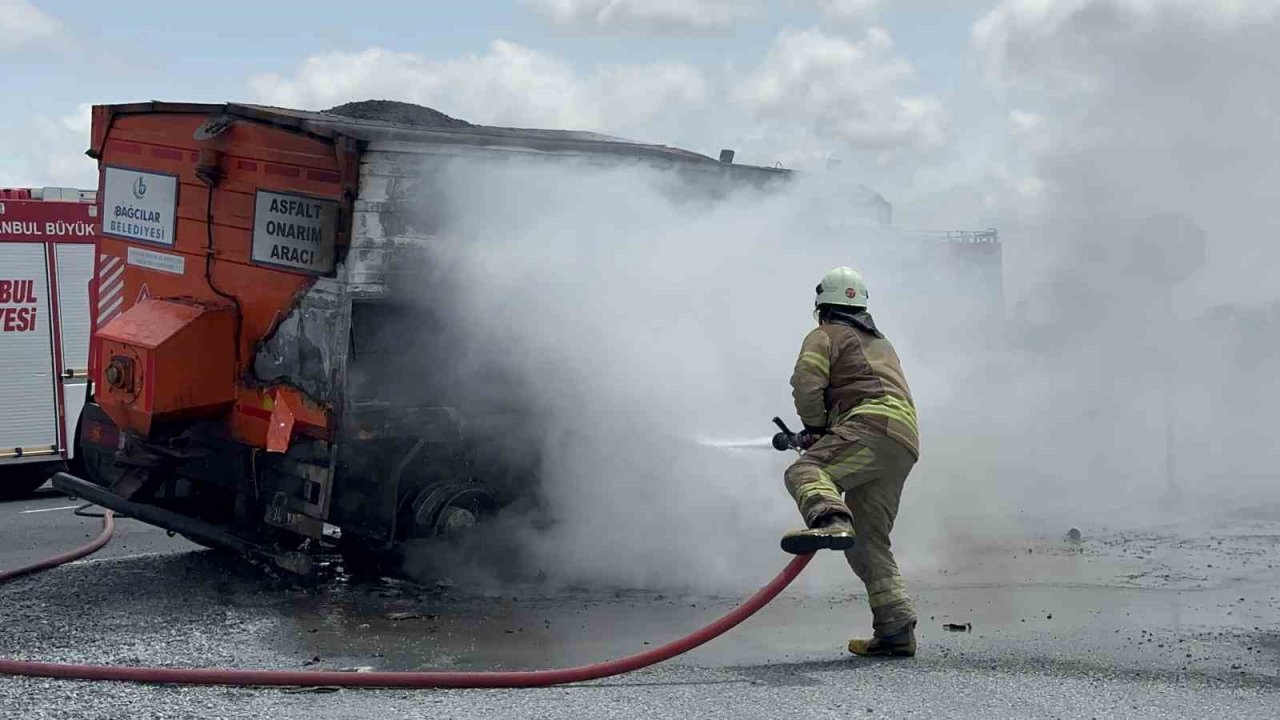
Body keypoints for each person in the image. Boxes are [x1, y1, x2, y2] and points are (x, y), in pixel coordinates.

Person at [780, 266, 921, 657]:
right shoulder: (882, 343)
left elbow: (807, 381)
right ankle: (895, 630)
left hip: (871, 426)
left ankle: (831, 519)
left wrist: (814, 426)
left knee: (806, 470)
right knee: (870, 542)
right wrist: (829, 429)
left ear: (822, 308)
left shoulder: (825, 334)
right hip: (902, 441)